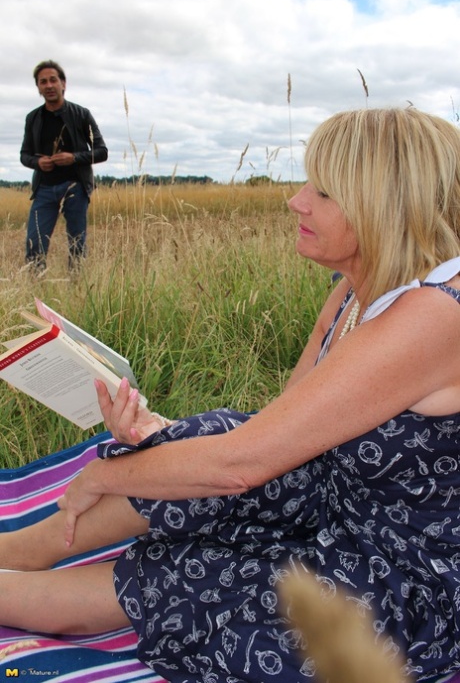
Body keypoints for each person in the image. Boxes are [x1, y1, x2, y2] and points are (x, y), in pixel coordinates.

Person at [2, 107, 460, 683]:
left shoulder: (435, 316)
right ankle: (22, 552)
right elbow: (276, 432)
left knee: (198, 576)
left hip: (401, 572)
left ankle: (18, 583)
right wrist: (154, 433)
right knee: (206, 436)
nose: (296, 200)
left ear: (383, 204)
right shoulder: (354, 290)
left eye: (321, 190)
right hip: (333, 503)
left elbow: (241, 465)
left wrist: (104, 474)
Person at [20, 59, 108, 271]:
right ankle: (36, 292)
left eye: (53, 80)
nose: (49, 85)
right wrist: (38, 162)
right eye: (43, 82)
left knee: (77, 245)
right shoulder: (33, 118)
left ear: (63, 84)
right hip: (44, 189)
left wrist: (74, 157)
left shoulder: (81, 114)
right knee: (34, 245)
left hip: (75, 187)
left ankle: (77, 292)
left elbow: (102, 151)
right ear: (38, 88)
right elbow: (24, 155)